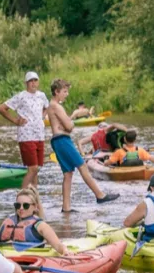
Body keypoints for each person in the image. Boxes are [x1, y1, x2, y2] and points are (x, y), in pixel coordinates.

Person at [47, 79, 118, 212]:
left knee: (68, 173)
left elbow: (65, 125)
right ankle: (100, 195)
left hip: (57, 140)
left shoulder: (51, 105)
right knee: (82, 165)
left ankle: (66, 207)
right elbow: (69, 126)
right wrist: (71, 121)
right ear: (56, 92)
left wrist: (67, 124)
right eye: (64, 91)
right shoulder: (56, 106)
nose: (67, 94)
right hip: (62, 140)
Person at [0, 71, 49, 188]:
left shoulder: (42, 95)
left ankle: (33, 199)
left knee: (37, 169)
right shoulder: (21, 96)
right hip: (26, 136)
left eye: (35, 80)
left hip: (39, 135)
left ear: (38, 82)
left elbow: (47, 107)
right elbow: (1, 108)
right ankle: (22, 196)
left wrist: (41, 116)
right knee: (33, 168)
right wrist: (15, 121)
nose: (33, 83)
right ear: (26, 83)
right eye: (31, 81)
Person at [0, 186, 75, 254]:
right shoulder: (7, 222)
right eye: (18, 205)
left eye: (26, 205)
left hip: (29, 260)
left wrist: (65, 251)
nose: (21, 208)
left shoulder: (40, 225)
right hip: (6, 259)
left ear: (34, 207)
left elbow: (58, 245)